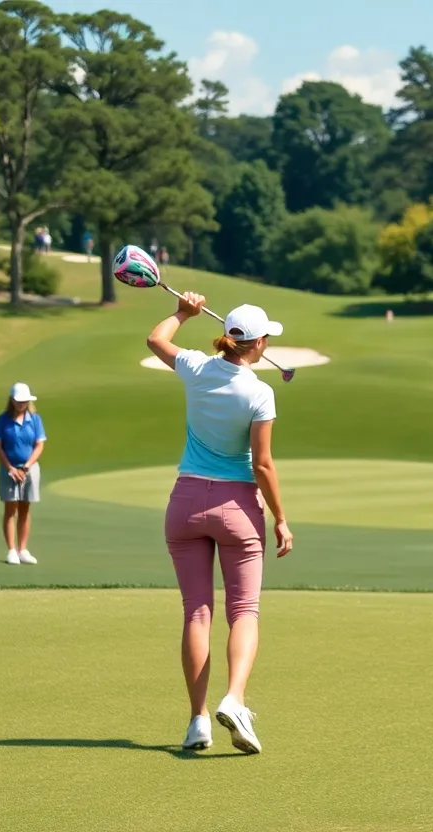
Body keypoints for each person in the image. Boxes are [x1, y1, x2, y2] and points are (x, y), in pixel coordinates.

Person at [145, 292, 295, 753]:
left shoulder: (196, 367)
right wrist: (281, 519)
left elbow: (155, 340)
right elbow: (262, 464)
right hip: (237, 508)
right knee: (243, 610)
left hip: (185, 503)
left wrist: (182, 312)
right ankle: (234, 699)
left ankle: (197, 721)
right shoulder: (260, 392)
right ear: (258, 342)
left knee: (197, 611)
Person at [0, 382, 46, 566]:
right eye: (18, 401)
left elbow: (39, 445)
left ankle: (23, 549)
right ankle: (11, 550)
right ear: (12, 401)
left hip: (30, 469)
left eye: (24, 401)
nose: (22, 404)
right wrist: (11, 468)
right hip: (9, 470)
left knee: (25, 508)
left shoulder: (35, 419)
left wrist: (26, 467)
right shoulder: (2, 420)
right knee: (10, 509)